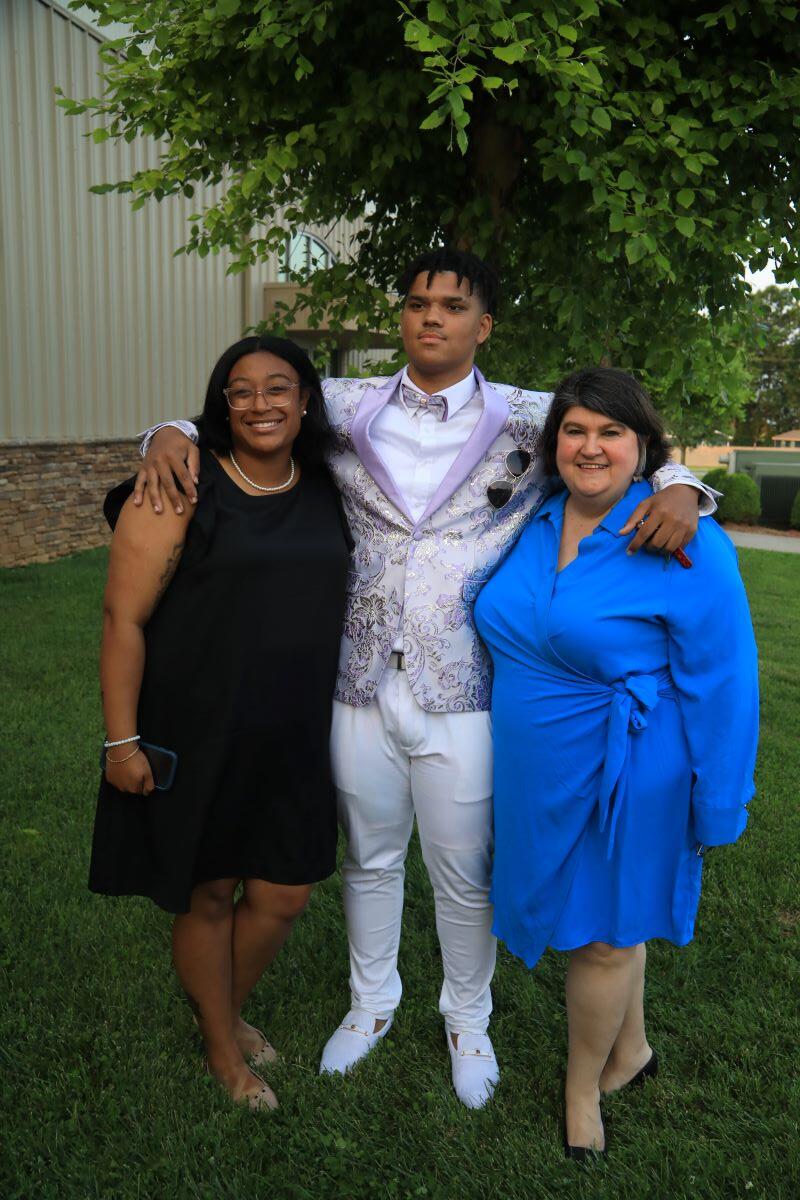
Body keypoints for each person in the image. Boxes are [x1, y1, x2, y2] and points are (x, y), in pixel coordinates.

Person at [133, 248, 719, 1109]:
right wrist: (167, 435)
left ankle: (467, 1019)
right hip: (357, 677)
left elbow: (624, 435)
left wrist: (683, 486)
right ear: (402, 317)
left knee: (463, 867)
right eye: (416, 304)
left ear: (484, 325)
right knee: (369, 857)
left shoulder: (531, 416)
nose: (431, 317)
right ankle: (371, 1003)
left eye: (452, 305)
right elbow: (237, 408)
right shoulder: (343, 404)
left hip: (466, 685)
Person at [474, 367, 758, 1155]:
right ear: (554, 442)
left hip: (631, 769)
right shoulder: (531, 516)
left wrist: (719, 800)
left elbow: (726, 683)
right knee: (613, 921)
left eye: (612, 432)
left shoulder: (684, 543)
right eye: (575, 430)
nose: (590, 447)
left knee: (603, 937)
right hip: (536, 768)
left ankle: (582, 1093)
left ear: (645, 448)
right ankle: (630, 1050)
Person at [90, 335, 352, 1111]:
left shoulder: (329, 485)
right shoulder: (177, 487)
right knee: (206, 893)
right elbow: (122, 620)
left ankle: (223, 1010)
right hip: (197, 726)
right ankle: (221, 1045)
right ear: (223, 405)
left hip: (295, 731)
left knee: (284, 893)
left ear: (306, 400)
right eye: (241, 391)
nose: (261, 404)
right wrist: (121, 742)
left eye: (278, 388)